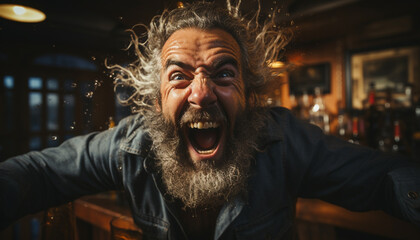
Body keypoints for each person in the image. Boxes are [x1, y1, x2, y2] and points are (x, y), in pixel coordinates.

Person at [1, 1, 420, 239]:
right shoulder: (130, 144)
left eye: (223, 73)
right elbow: (40, 173)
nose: (201, 93)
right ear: (155, 97)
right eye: (179, 76)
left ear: (249, 93)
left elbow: (386, 179)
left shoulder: (284, 139)